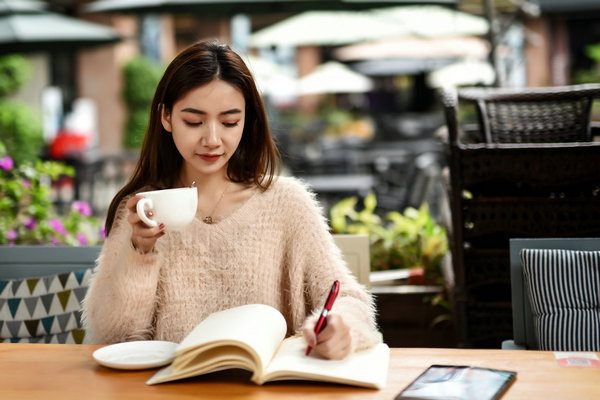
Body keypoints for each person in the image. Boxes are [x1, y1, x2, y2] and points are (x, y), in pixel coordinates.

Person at [82, 40, 381, 360]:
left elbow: (349, 299)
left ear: (248, 121)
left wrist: (341, 327)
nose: (212, 139)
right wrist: (140, 252)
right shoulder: (142, 208)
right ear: (166, 117)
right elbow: (111, 337)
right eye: (194, 121)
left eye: (229, 122)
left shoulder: (287, 204)